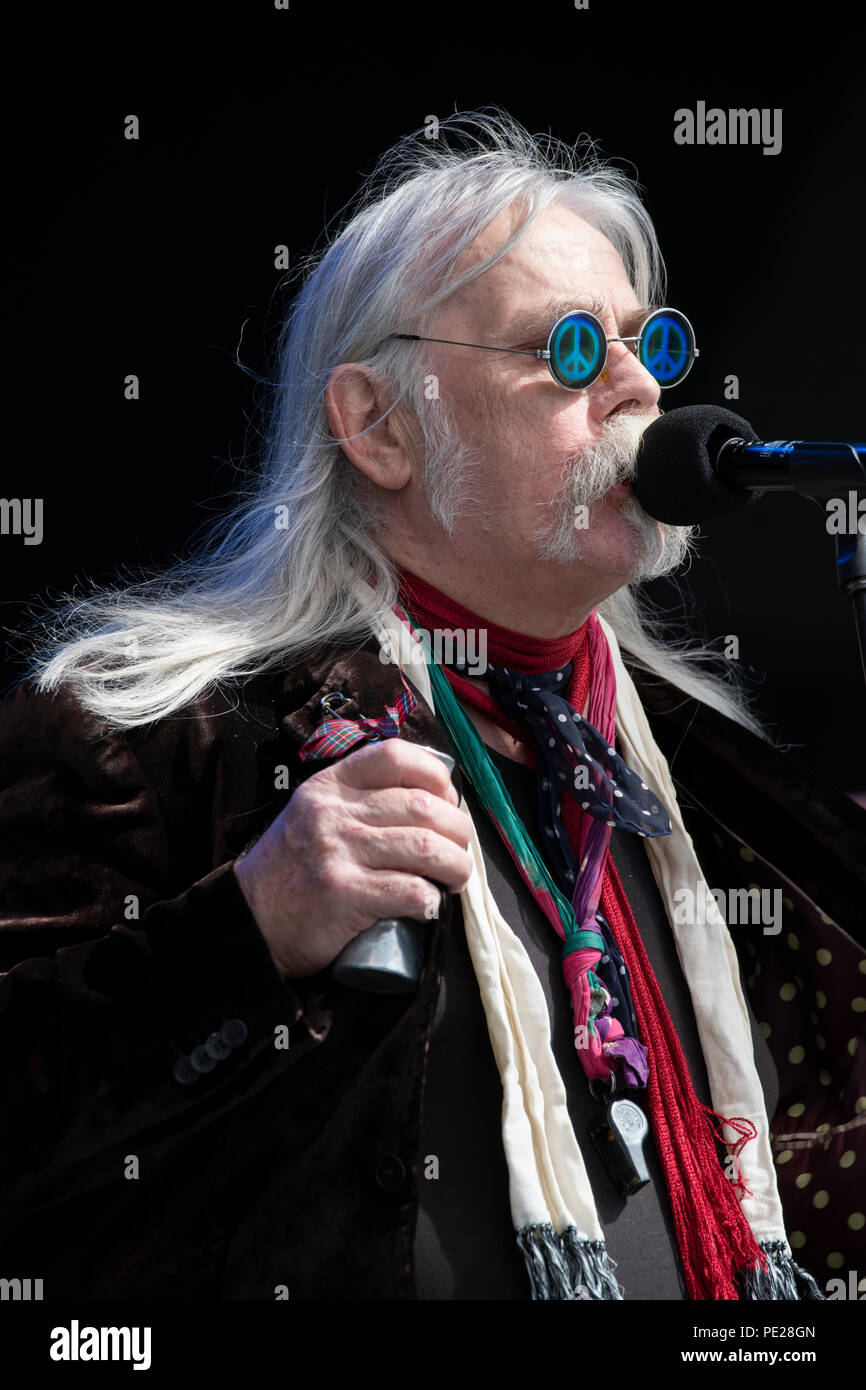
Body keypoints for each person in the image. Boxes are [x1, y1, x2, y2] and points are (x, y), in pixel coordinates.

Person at [1, 110, 863, 1302]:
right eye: (567, 350)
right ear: (379, 426)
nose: (637, 385)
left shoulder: (710, 785)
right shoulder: (162, 737)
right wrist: (242, 929)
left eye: (643, 339)